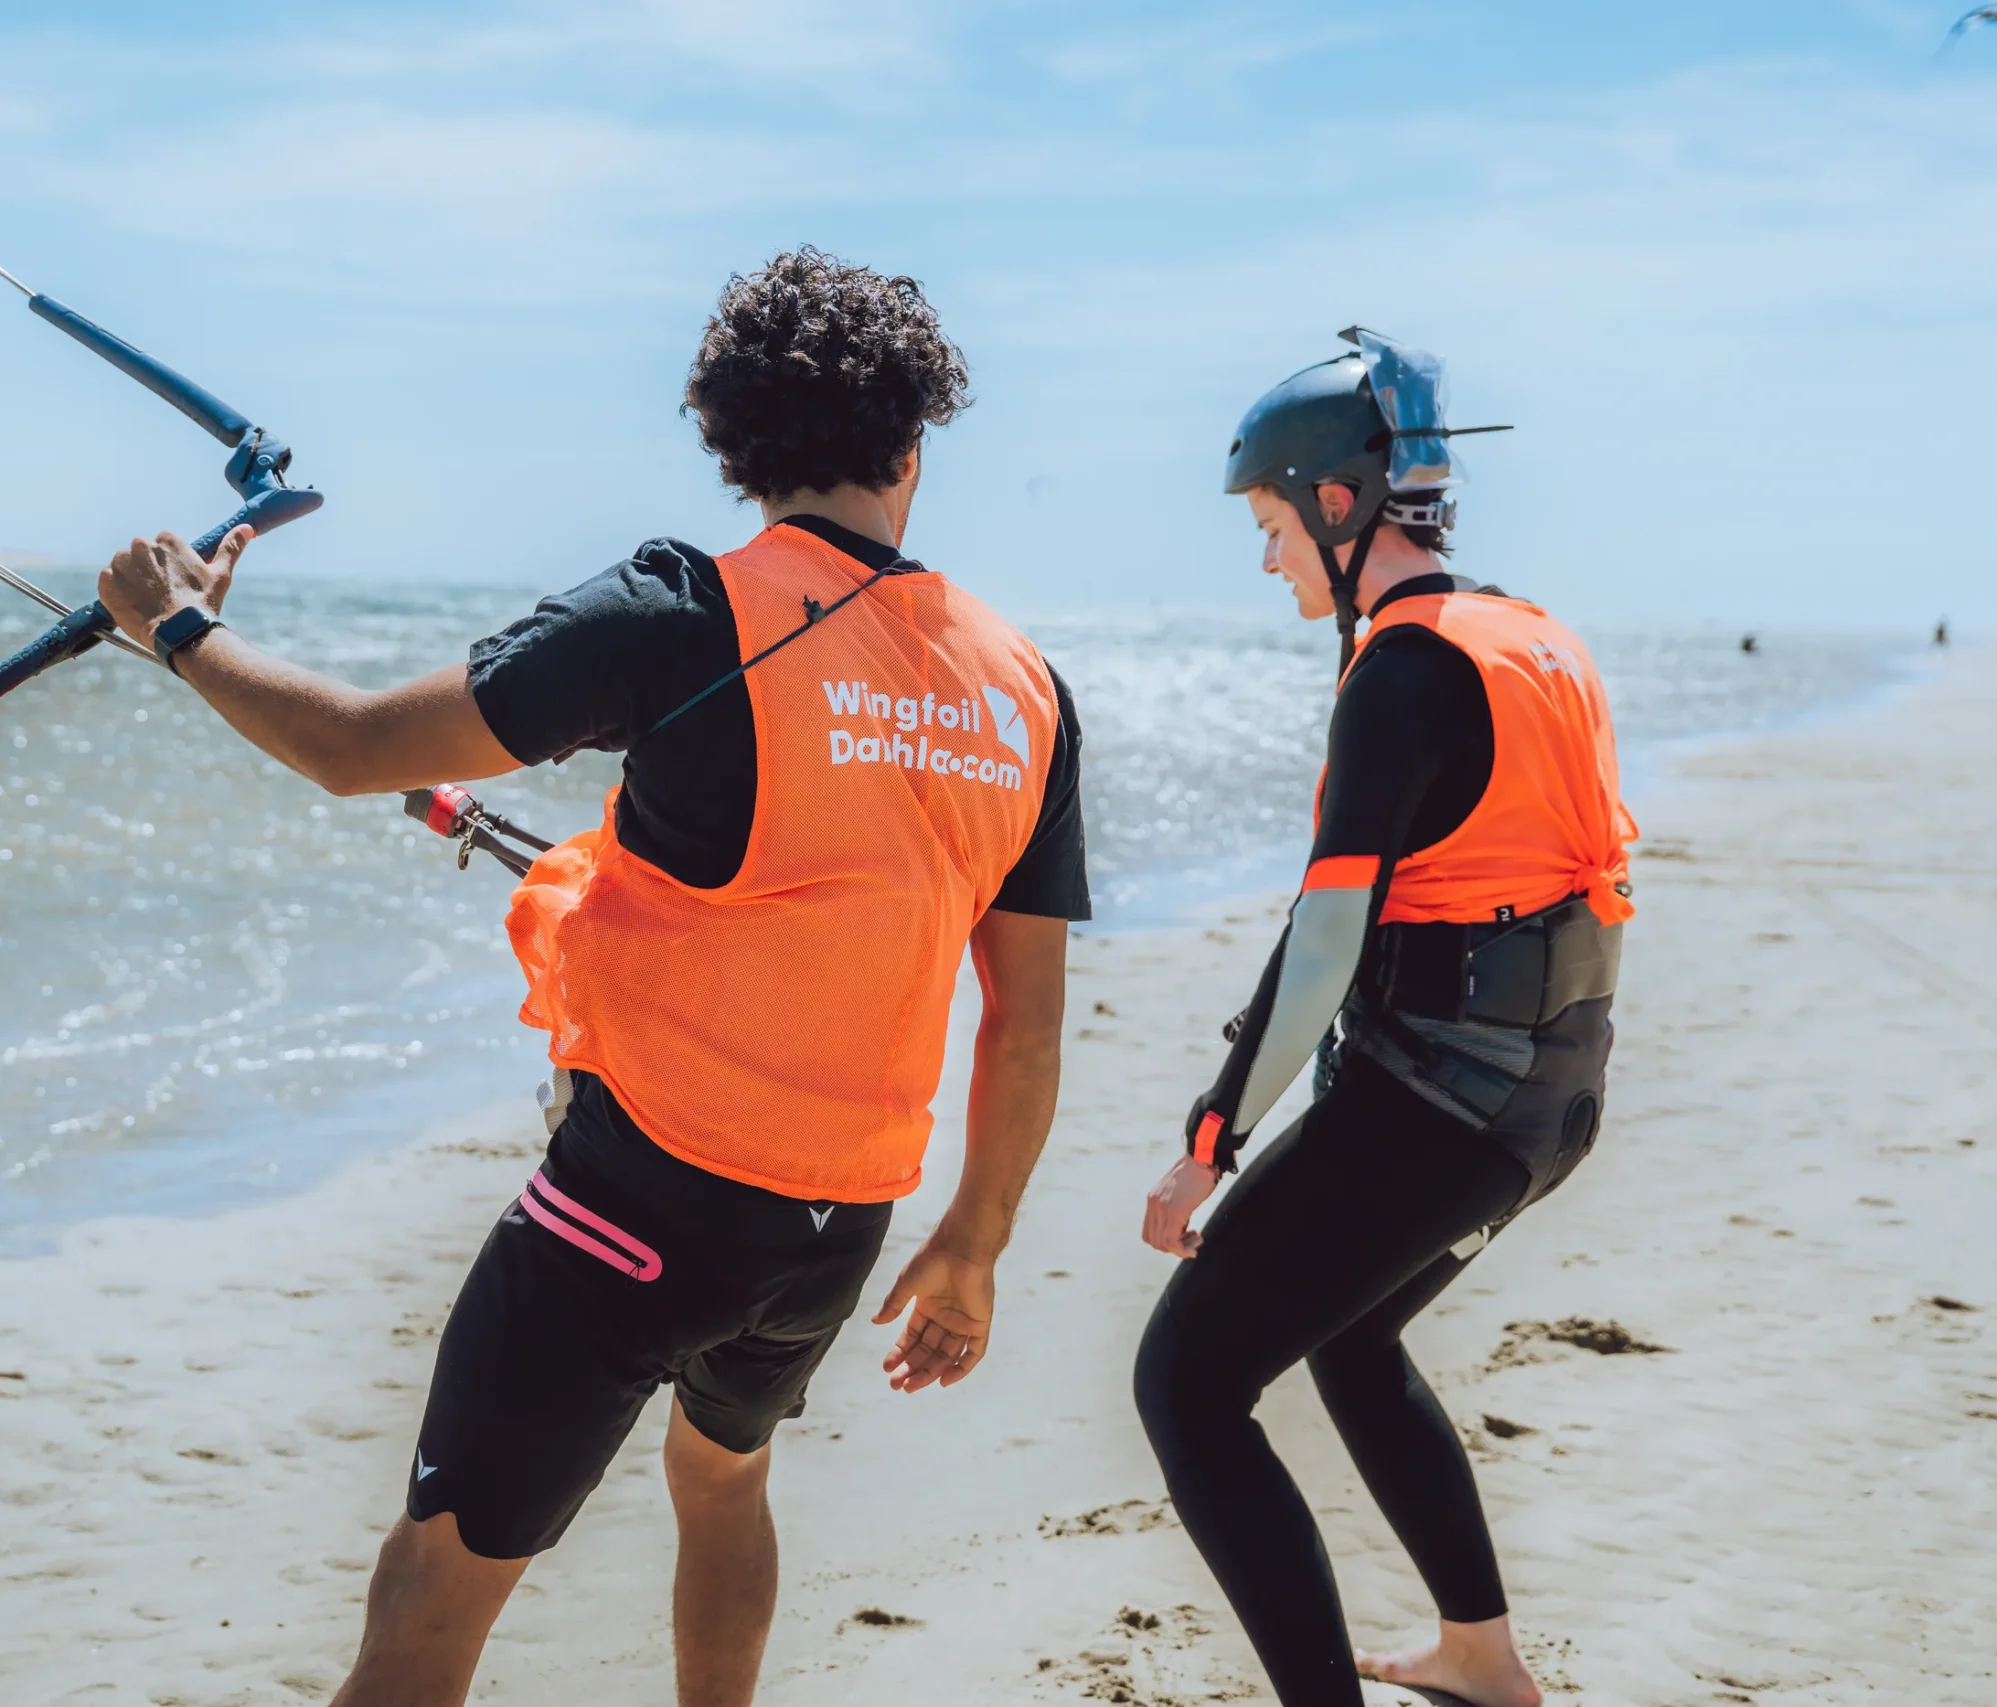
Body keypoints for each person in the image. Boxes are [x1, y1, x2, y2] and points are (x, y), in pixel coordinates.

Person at [96, 248, 1088, 1707]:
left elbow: (355, 747)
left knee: (433, 1580)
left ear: (733, 443)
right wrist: (977, 1240)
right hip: (836, 1226)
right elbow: (1027, 1020)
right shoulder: (1026, 689)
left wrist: (180, 626)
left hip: (636, 1211)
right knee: (724, 1479)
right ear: (913, 446)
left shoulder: (685, 610)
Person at [1131, 330, 1635, 1707]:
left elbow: (1327, 945)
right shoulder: (1531, 634)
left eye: (1271, 523)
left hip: (1444, 1102)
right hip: (1554, 1095)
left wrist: (1211, 1140)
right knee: (1349, 1338)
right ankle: (1480, 1655)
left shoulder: (1404, 671)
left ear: (1338, 504)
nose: (1269, 556)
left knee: (1185, 1382)